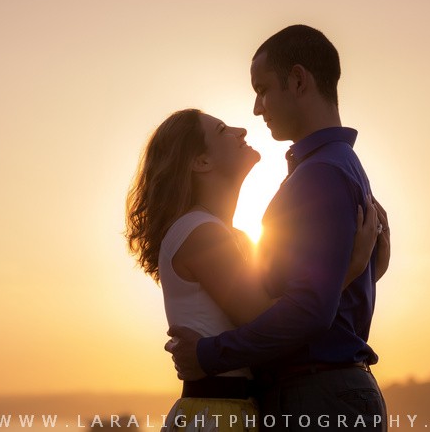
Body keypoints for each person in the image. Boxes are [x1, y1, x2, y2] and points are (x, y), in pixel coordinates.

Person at [166, 25, 390, 431]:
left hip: (317, 395)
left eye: (263, 88)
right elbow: (322, 293)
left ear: (299, 80)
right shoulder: (335, 168)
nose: (256, 108)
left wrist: (208, 355)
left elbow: (309, 309)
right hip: (326, 393)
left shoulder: (319, 175)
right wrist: (351, 272)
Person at [125, 108, 380, 432]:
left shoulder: (231, 237)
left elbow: (289, 298)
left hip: (238, 408)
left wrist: (369, 260)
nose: (241, 130)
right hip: (216, 415)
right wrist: (350, 269)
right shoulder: (200, 234)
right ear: (201, 162)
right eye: (221, 130)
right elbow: (267, 316)